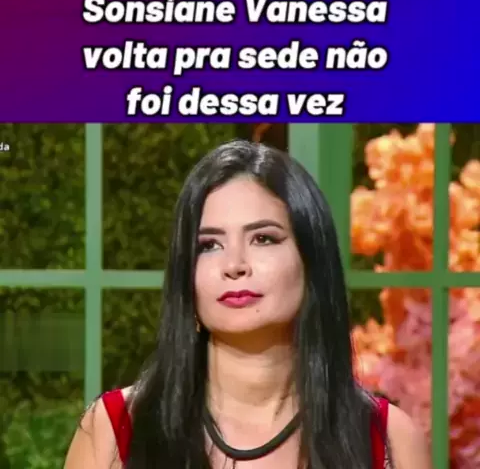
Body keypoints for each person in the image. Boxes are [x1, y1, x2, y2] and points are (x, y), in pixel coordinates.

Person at [64, 140, 431, 468]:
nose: (235, 265)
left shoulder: (388, 439)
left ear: (311, 260)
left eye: (263, 239)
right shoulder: (115, 430)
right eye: (209, 245)